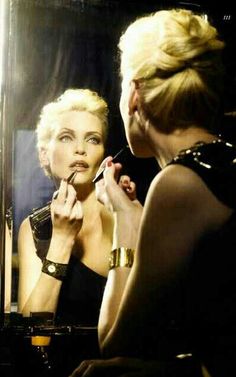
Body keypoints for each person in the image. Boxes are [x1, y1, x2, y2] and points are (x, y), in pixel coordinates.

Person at [70, 8, 236, 377]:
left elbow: (117, 344)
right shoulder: (222, 165)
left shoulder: (179, 184)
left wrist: (126, 219)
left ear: (134, 95)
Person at [17, 88, 136, 325]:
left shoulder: (122, 214)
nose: (80, 149)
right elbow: (35, 336)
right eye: (66, 137)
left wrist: (128, 215)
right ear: (43, 155)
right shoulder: (34, 228)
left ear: (104, 156)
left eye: (93, 139)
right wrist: (61, 239)